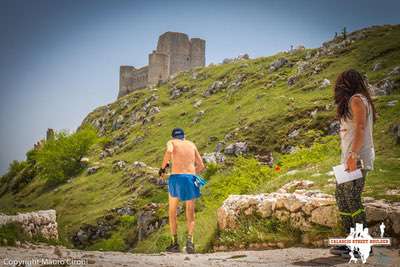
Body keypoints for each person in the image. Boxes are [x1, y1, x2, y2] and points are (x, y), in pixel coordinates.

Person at [330, 69, 376, 257]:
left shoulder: (356, 99)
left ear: (346, 84)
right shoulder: (355, 100)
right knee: (342, 197)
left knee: (353, 200)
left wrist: (354, 155)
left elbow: (361, 127)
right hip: (348, 158)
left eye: (340, 82)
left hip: (356, 158)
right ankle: (351, 241)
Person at [159, 128, 205, 253]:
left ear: (173, 137)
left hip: (176, 178)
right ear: (184, 136)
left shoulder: (172, 142)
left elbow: (169, 151)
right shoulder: (191, 144)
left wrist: (163, 169)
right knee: (190, 212)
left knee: (172, 211)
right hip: (190, 178)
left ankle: (175, 244)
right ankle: (190, 242)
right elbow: (201, 165)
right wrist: (191, 174)